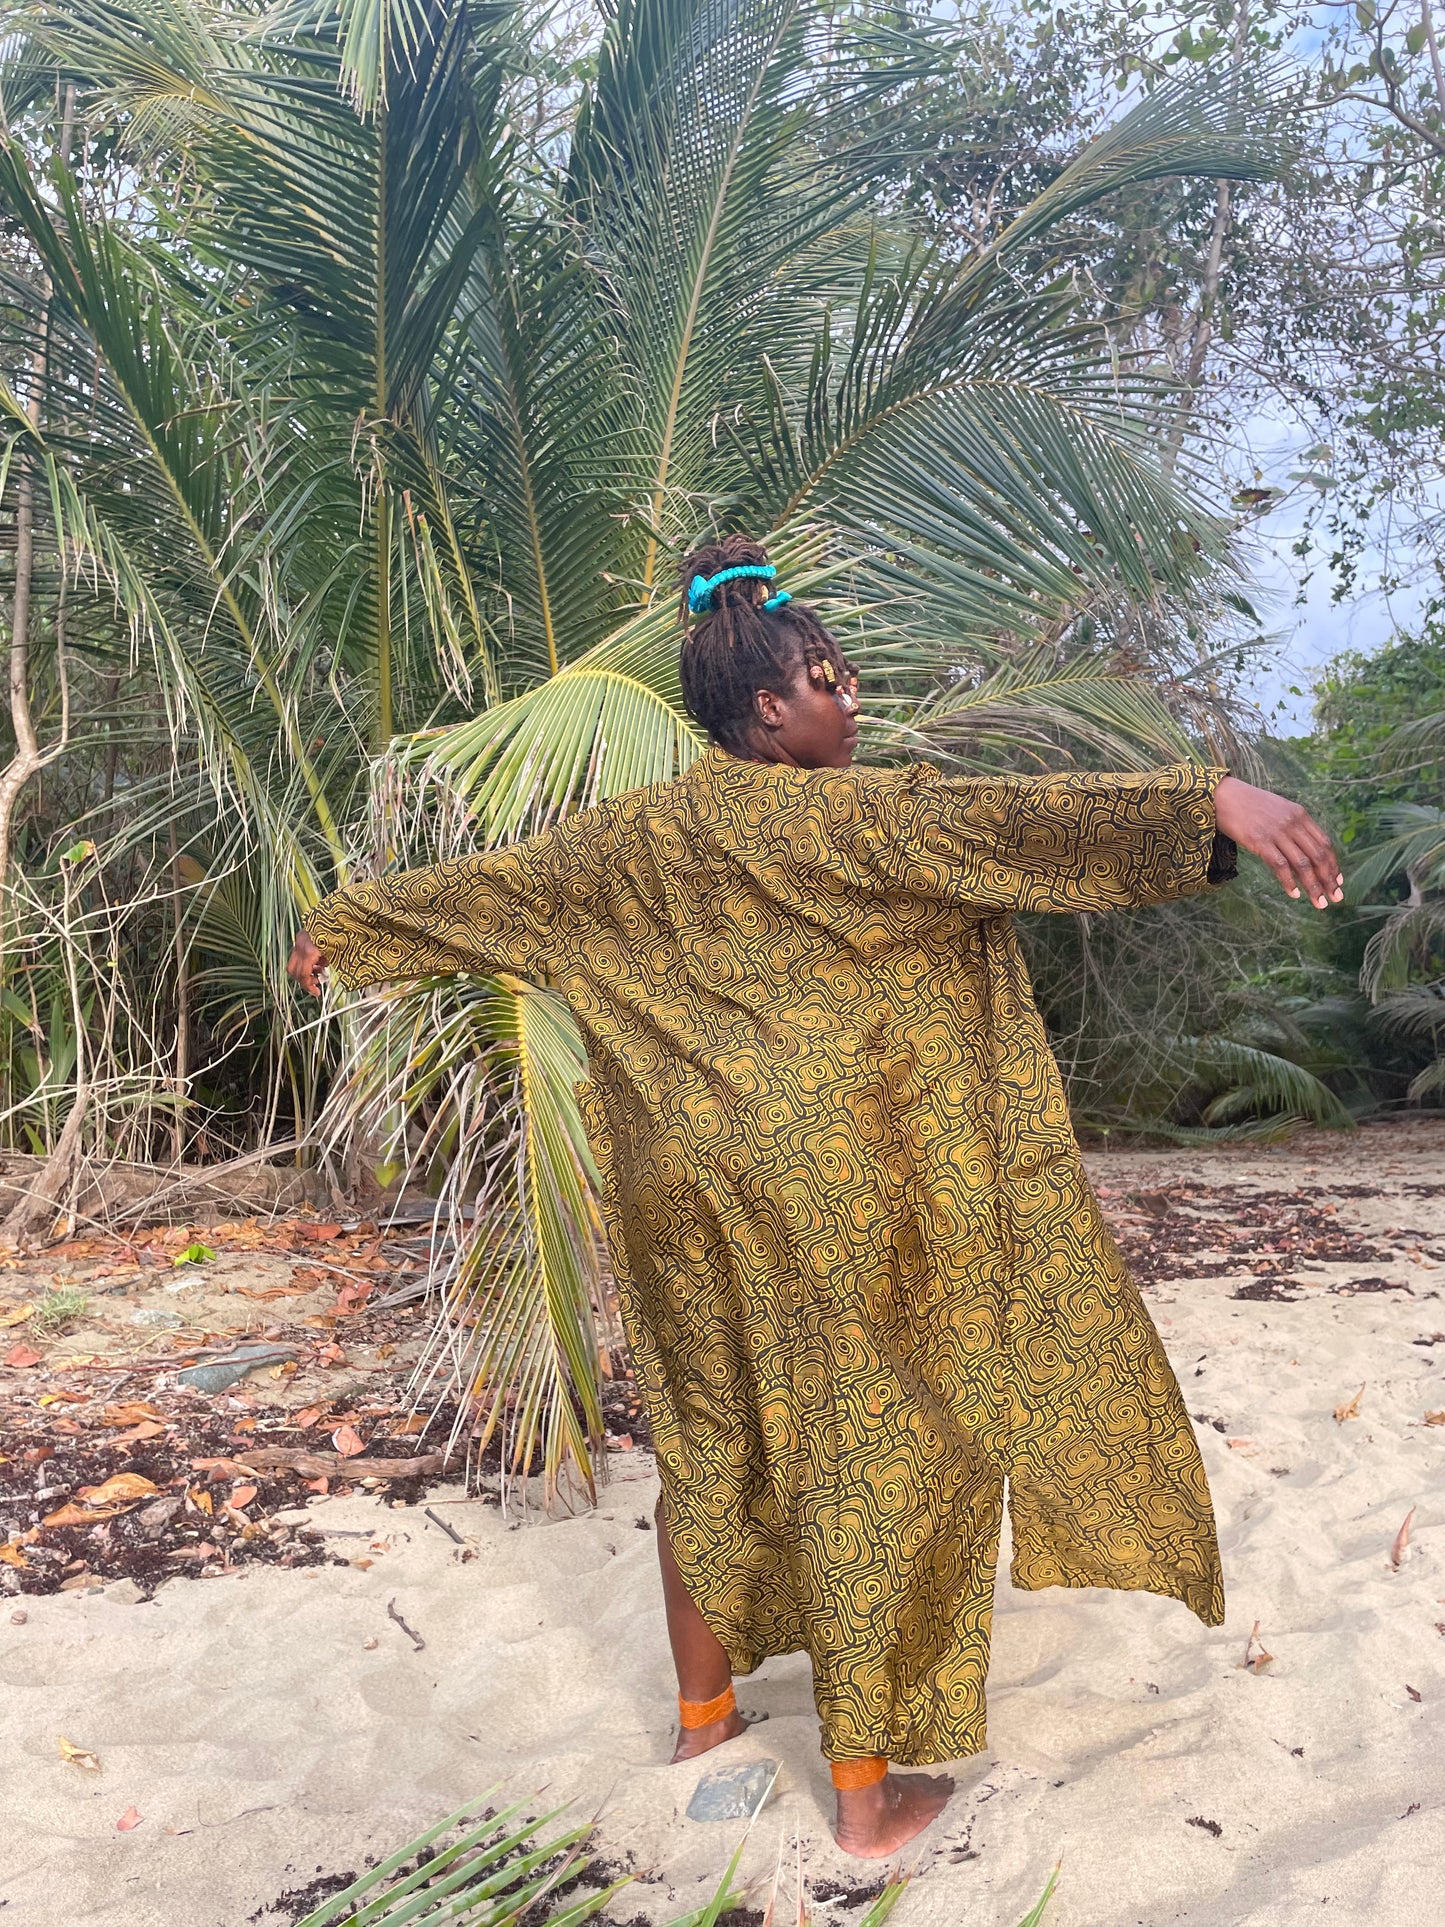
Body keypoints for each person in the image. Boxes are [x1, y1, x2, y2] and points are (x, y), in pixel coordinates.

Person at [288, 535, 1342, 1859]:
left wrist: (348, 927)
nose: (852, 705)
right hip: (818, 1200)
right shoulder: (852, 819)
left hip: (682, 1199)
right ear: (767, 709)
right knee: (856, 1444)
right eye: (831, 684)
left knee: (709, 1431)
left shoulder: (617, 844)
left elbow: (477, 897)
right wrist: (1207, 804)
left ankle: (702, 1718)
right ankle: (863, 1798)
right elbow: (1016, 825)